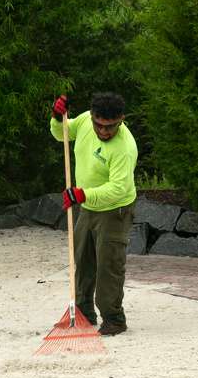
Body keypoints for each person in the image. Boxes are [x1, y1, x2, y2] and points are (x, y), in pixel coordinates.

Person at [50, 91, 138, 336]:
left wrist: (83, 195)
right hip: (88, 205)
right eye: (99, 125)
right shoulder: (85, 121)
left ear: (121, 119)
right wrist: (58, 118)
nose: (104, 132)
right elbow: (62, 134)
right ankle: (83, 313)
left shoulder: (125, 147)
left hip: (115, 210)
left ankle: (114, 319)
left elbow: (118, 188)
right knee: (82, 258)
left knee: (108, 264)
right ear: (92, 117)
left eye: (111, 127)